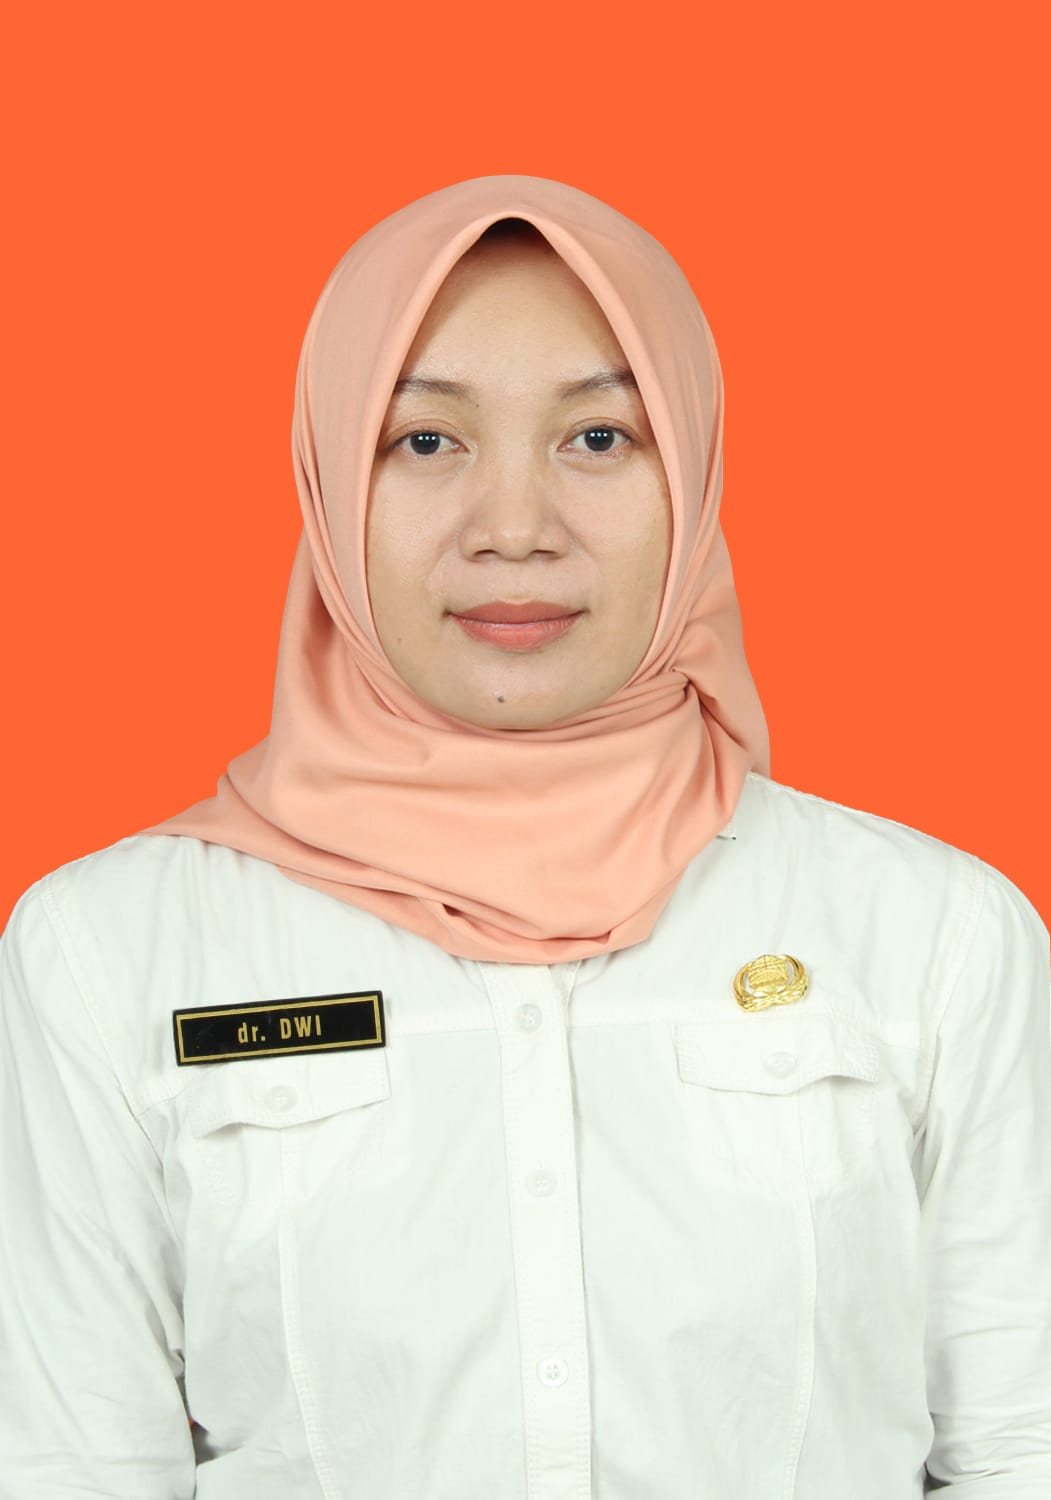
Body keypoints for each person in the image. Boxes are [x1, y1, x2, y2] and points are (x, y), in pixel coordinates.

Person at [0, 174, 1048, 1499]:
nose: (513, 529)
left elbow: (1020, 1450)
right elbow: (76, 1469)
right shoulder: (108, 956)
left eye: (598, 437)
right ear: (329, 475)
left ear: (693, 473)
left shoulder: (935, 939)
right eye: (425, 441)